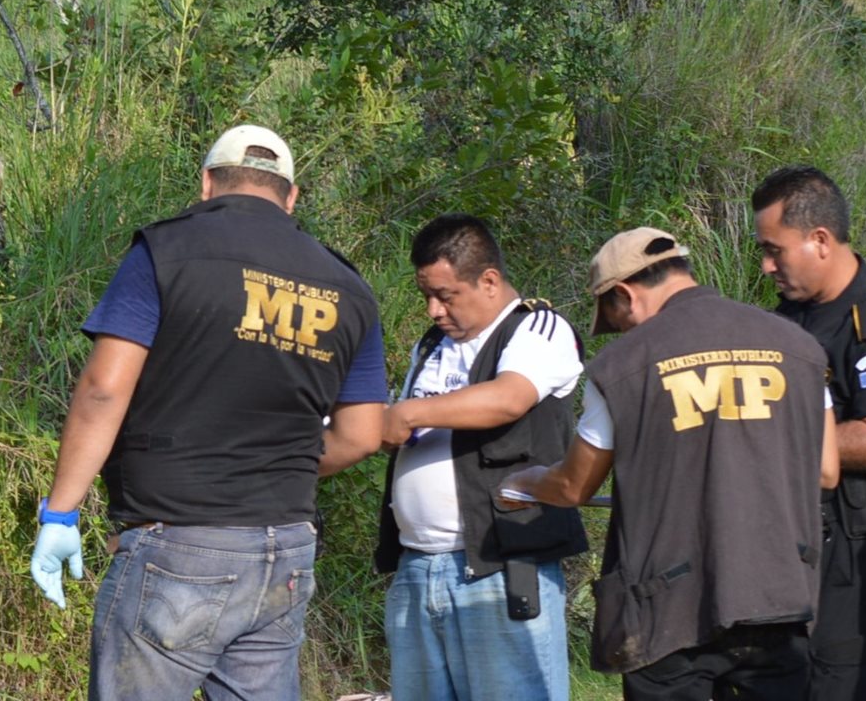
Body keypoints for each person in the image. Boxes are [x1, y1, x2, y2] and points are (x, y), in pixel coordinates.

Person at [29, 124, 391, 701]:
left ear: (206, 185)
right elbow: (364, 433)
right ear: (291, 196)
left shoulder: (168, 250)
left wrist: (61, 513)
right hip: (286, 551)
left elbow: (103, 388)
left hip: (180, 544)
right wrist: (274, 465)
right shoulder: (348, 286)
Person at [499, 226, 839, 701]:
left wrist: (531, 482)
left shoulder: (623, 365)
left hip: (668, 610)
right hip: (776, 594)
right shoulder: (798, 347)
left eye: (615, 320)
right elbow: (826, 470)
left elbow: (575, 485)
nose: (620, 332)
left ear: (623, 294)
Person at [375, 212, 588, 701]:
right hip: (418, 566)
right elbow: (409, 426)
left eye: (445, 296)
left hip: (497, 567)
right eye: (426, 295)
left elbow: (508, 398)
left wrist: (405, 413)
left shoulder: (538, 329)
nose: (433, 309)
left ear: (489, 280)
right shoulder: (432, 346)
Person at [752, 165, 866, 701]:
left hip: (853, 547)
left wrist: (779, 445)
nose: (766, 265)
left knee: (837, 683)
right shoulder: (792, 317)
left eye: (775, 250)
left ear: (820, 240)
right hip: (801, 545)